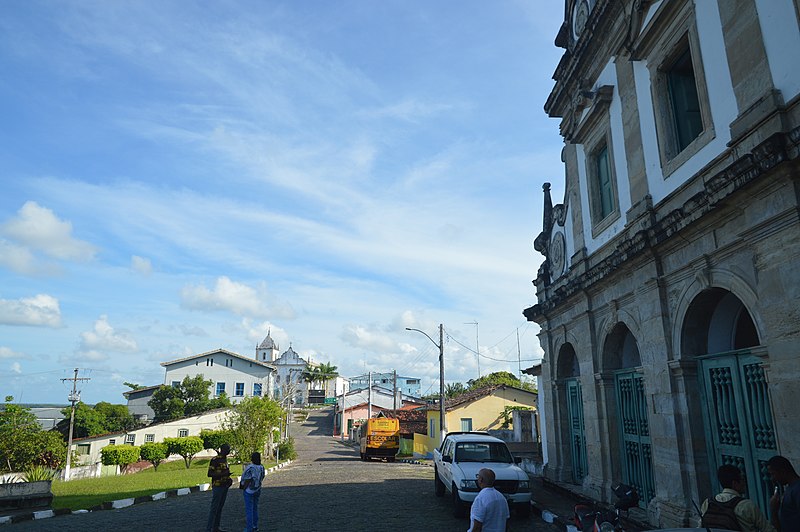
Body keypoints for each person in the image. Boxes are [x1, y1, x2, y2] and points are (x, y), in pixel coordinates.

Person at [700, 464, 775, 532]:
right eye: (742, 480)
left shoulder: (708, 502)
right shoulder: (747, 505)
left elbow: (700, 527)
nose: (744, 483)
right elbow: (768, 529)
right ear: (734, 483)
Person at [468, 468, 510, 532]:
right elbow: (506, 521)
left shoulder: (480, 499)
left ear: (481, 480)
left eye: (478, 476)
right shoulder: (501, 497)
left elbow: (477, 526)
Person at [768, 455, 800, 532]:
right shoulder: (790, 489)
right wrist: (774, 510)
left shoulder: (797, 490)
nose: (772, 479)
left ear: (782, 471)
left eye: (773, 474)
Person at [206, 443, 232, 532]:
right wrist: (223, 474)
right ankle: (209, 528)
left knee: (220, 507)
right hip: (217, 486)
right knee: (214, 507)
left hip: (225, 485)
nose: (229, 451)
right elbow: (210, 473)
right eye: (228, 449)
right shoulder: (215, 460)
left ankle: (216, 527)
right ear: (223, 450)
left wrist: (228, 478)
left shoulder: (225, 459)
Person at [240, 451, 266, 532]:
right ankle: (255, 526)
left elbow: (247, 479)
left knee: (249, 510)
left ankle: (249, 528)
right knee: (255, 508)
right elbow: (262, 477)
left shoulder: (250, 468)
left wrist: (243, 488)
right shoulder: (261, 467)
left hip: (249, 490)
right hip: (257, 489)